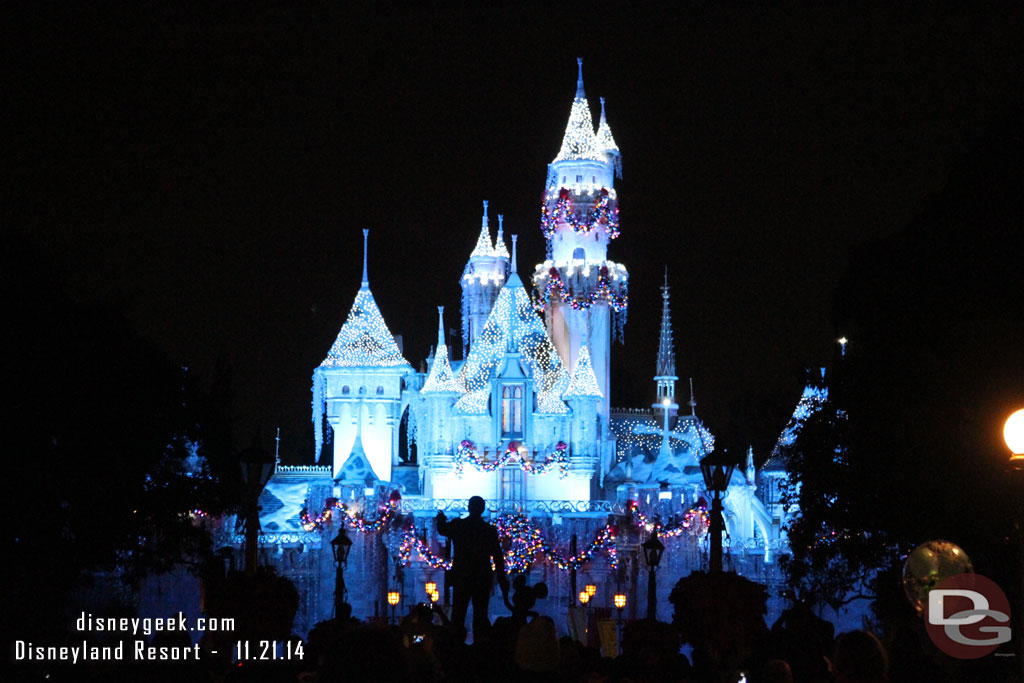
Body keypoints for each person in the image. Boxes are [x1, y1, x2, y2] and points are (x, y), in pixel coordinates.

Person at [436, 496, 510, 640]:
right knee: (481, 616)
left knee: (458, 615)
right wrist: (501, 579)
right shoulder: (488, 530)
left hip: (462, 576)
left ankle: (456, 646)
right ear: (482, 510)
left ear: (469, 508)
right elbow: (497, 556)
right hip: (481, 577)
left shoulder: (459, 525)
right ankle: (480, 647)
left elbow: (443, 530)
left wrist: (441, 520)